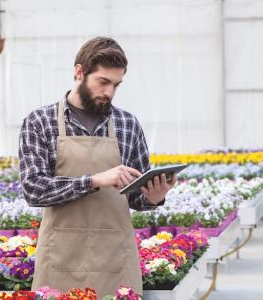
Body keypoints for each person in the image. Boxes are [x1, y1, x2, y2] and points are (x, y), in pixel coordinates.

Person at [18, 36, 176, 297]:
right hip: (60, 256)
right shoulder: (39, 121)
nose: (109, 92)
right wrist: (94, 180)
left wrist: (154, 197)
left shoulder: (128, 124)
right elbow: (34, 190)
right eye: (103, 82)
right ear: (79, 72)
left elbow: (136, 196)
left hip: (115, 257)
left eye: (116, 84)